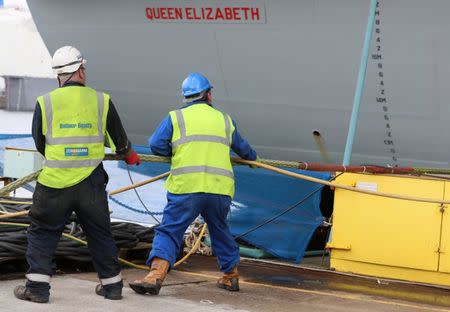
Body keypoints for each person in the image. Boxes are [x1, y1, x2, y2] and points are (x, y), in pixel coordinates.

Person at [14, 46, 141, 303]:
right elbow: (120, 142)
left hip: (54, 184)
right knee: (99, 233)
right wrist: (129, 153)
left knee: (43, 233)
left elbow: (40, 143)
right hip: (90, 184)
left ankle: (37, 290)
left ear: (59, 75)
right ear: (80, 71)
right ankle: (112, 287)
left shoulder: (45, 102)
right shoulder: (101, 101)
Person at [129, 73, 258, 295]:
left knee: (170, 230)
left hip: (187, 188)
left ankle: (155, 275)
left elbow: (155, 145)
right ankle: (231, 275)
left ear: (186, 97)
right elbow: (246, 152)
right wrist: (254, 160)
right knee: (220, 230)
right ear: (208, 94)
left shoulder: (176, 118)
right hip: (219, 190)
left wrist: (177, 152)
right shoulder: (225, 120)